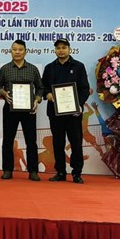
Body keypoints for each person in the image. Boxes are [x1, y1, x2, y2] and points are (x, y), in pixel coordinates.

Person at [0, 39, 44, 181]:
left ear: (25, 52)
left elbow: (40, 87)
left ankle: (33, 171)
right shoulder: (5, 68)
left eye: (20, 50)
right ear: (11, 51)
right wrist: (3, 93)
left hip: (28, 110)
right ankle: (7, 170)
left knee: (31, 141)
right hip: (10, 108)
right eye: (14, 49)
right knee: (8, 140)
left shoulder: (32, 69)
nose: (17, 52)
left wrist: (37, 100)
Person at [42, 38, 90, 184]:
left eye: (64, 47)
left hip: (73, 113)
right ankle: (60, 172)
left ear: (69, 49)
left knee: (76, 143)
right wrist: (47, 94)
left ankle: (77, 173)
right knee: (58, 143)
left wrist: (78, 104)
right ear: (55, 50)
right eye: (58, 48)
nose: (61, 50)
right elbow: (43, 87)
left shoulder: (79, 66)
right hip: (55, 113)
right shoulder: (49, 68)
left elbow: (84, 89)